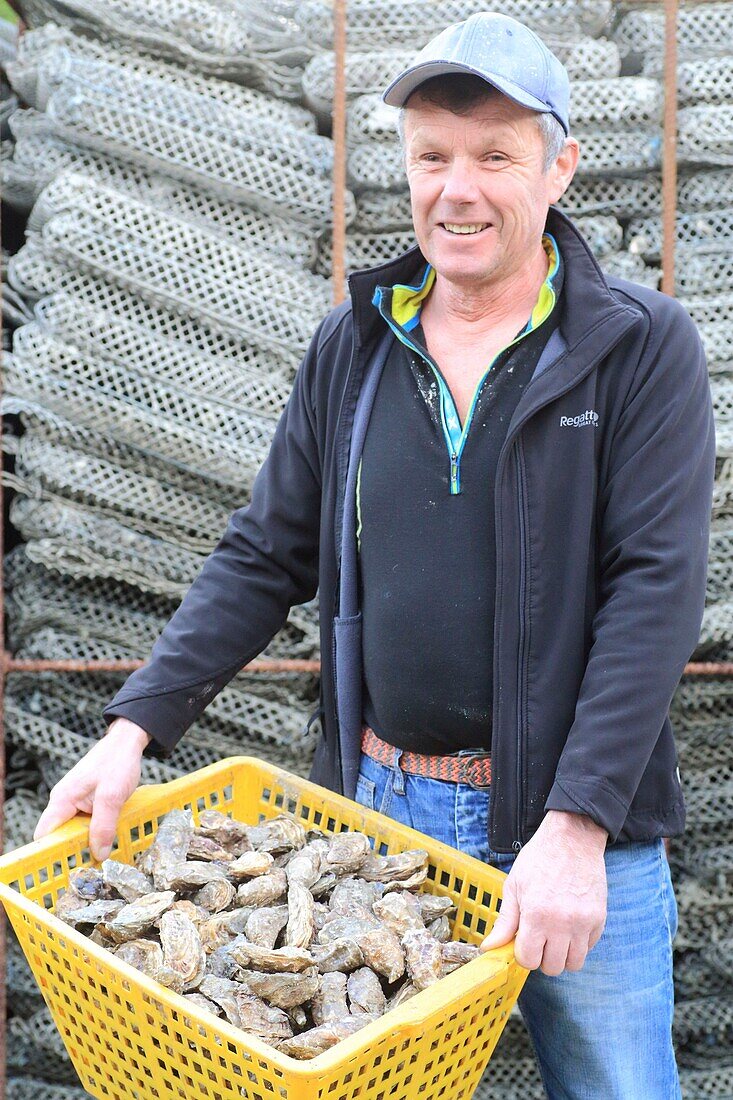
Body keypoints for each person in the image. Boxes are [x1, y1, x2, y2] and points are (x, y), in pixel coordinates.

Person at [35, 12, 714, 1098]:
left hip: (579, 832)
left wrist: (577, 827)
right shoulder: (356, 342)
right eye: (432, 155)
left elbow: (657, 593)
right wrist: (131, 729)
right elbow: (265, 550)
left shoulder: (639, 349)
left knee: (620, 1087)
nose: (458, 189)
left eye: (495, 156)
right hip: (376, 821)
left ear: (560, 167)